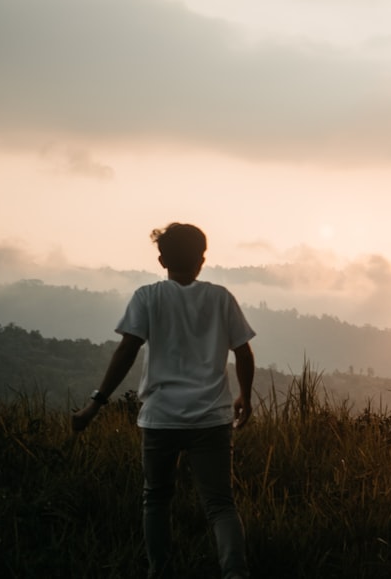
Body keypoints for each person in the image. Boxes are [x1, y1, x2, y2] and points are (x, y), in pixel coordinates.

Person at [72, 223, 256, 579]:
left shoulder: (147, 297)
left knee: (156, 499)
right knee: (220, 505)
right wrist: (244, 397)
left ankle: (160, 571)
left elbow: (127, 350)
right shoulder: (220, 297)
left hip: (160, 418)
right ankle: (235, 573)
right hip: (211, 419)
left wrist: (96, 403)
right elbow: (244, 353)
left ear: (161, 260)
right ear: (202, 260)